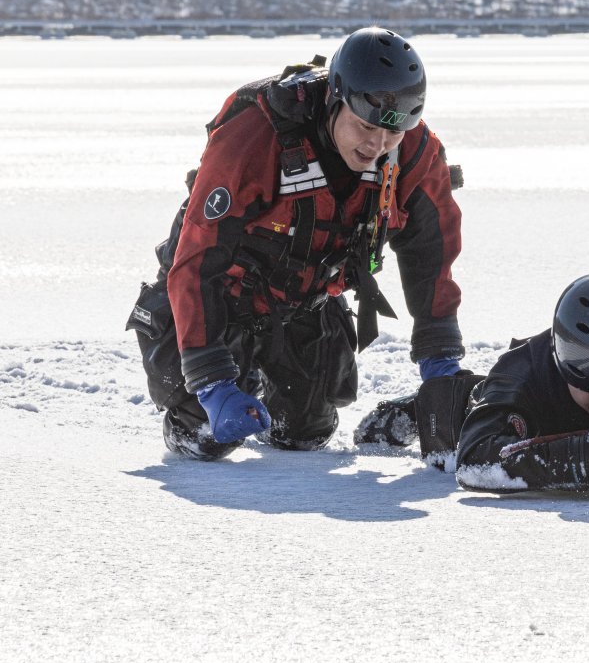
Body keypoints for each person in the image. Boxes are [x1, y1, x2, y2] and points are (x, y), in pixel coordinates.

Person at [127, 27, 466, 460]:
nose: (377, 146)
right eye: (365, 126)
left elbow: (432, 256)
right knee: (208, 437)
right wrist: (210, 378)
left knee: (304, 436)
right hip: (217, 298)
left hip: (304, 301)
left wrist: (440, 359)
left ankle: (283, 394)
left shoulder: (414, 152)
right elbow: (195, 262)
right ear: (335, 99)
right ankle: (199, 410)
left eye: (392, 134)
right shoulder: (255, 136)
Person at [356, 273, 589, 494]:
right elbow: (475, 463)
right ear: (562, 369)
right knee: (447, 407)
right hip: (464, 416)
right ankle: (411, 410)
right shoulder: (521, 371)